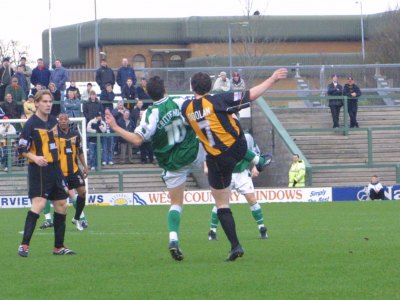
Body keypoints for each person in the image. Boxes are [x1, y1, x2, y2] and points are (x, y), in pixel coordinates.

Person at [181, 68, 287, 261]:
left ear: (191, 87)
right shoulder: (218, 100)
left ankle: (235, 245)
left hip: (215, 159)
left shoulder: (185, 108)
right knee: (235, 127)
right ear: (211, 86)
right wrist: (271, 79)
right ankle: (257, 160)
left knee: (221, 205)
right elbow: (251, 94)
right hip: (235, 149)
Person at [105, 76, 206, 262]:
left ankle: (173, 238)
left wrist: (115, 126)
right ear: (165, 88)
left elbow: (137, 140)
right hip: (192, 150)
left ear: (149, 95)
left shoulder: (150, 113)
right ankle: (252, 158)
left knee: (176, 204)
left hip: (171, 162)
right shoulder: (178, 101)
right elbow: (201, 104)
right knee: (218, 142)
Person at [17, 90, 76, 257]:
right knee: (40, 204)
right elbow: (21, 149)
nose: (48, 104)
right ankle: (24, 245)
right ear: (36, 103)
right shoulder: (30, 124)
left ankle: (59, 247)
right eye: (44, 101)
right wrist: (35, 157)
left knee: (62, 205)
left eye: (50, 101)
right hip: (39, 169)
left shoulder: (53, 121)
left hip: (55, 168)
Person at [206, 132, 269, 241]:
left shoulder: (247, 137)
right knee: (220, 203)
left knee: (252, 199)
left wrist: (256, 167)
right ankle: (212, 231)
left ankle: (262, 228)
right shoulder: (219, 135)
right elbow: (209, 153)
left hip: (242, 173)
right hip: (225, 172)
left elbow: (256, 153)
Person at [39, 113, 89, 231]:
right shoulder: (54, 135)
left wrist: (85, 166)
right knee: (60, 201)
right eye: (60, 119)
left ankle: (77, 218)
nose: (63, 121)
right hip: (60, 173)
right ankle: (52, 221)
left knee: (82, 192)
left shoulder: (75, 134)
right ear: (58, 121)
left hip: (74, 171)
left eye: (65, 119)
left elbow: (79, 151)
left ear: (68, 121)